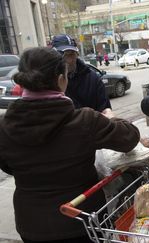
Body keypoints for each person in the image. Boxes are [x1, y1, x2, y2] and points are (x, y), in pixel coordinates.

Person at [0, 47, 140, 243]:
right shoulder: (85, 120)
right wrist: (111, 117)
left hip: (31, 224)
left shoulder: (4, 125)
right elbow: (130, 138)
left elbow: (7, 166)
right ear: (60, 80)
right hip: (81, 221)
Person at [51, 34, 113, 114]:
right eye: (65, 55)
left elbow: (105, 110)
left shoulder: (93, 79)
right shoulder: (47, 82)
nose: (70, 60)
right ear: (54, 55)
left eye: (72, 54)